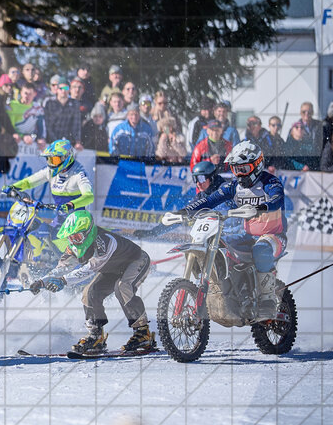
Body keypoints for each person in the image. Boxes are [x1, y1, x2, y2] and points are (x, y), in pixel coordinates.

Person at [171, 141, 287, 319]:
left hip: (274, 236)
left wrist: (263, 207)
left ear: (257, 165)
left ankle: (267, 301)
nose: (239, 174)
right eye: (235, 169)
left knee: (260, 249)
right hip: (247, 234)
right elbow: (210, 200)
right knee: (221, 246)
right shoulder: (234, 186)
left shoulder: (270, 182)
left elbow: (277, 199)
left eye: (243, 169)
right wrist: (185, 211)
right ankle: (236, 291)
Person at [31, 210, 155, 355]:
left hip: (136, 261)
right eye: (70, 237)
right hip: (113, 269)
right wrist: (42, 281)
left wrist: (63, 281)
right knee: (89, 293)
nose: (73, 241)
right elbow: (62, 267)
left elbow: (89, 269)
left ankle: (143, 333)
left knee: (122, 288)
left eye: (77, 236)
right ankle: (96, 336)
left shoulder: (105, 241)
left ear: (88, 232)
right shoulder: (74, 246)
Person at [3, 139, 94, 230]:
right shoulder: (50, 171)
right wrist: (13, 187)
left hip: (77, 223)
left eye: (55, 160)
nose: (51, 164)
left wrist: (70, 205)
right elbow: (29, 182)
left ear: (66, 157)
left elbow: (89, 196)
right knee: (37, 232)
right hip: (60, 220)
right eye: (49, 160)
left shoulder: (79, 174)